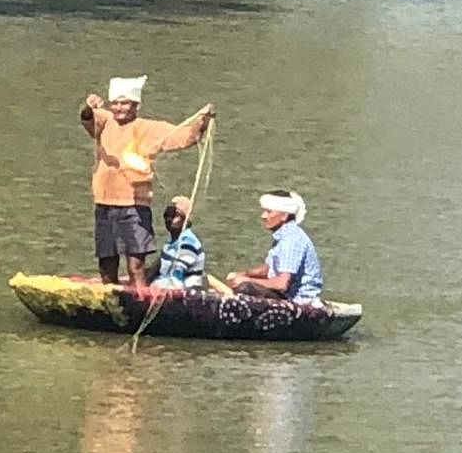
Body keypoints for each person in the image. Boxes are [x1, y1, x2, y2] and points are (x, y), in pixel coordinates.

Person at [81, 75, 213, 287]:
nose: (119, 108)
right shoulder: (105, 121)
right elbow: (87, 118)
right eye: (115, 103)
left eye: (124, 103)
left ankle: (139, 302)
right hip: (105, 204)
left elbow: (184, 137)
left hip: (133, 206)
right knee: (107, 264)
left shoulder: (150, 128)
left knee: (135, 266)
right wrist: (88, 107)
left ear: (136, 105)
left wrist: (202, 121)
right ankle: (111, 303)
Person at [225, 190, 323, 305]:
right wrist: (244, 274)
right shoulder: (283, 236)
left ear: (284, 216)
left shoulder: (291, 240)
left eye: (268, 212)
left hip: (299, 300)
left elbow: (281, 285)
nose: (263, 216)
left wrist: (247, 280)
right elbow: (271, 268)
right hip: (284, 294)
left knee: (245, 288)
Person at [150, 196, 206, 290]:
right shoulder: (169, 245)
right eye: (167, 214)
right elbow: (156, 271)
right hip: (165, 286)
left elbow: (175, 279)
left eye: (175, 215)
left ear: (185, 220)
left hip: (185, 294)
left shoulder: (188, 244)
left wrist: (153, 287)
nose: (169, 219)